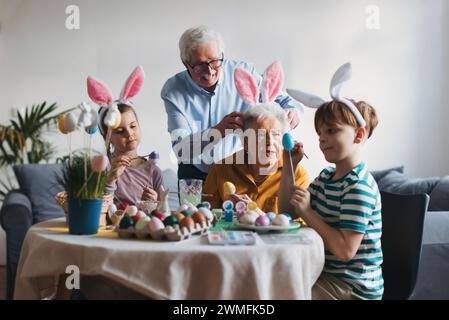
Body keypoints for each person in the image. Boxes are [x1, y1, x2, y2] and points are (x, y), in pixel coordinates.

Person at [161, 25, 304, 181]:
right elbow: (181, 150)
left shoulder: (243, 73)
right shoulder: (173, 91)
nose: (209, 72)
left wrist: (292, 112)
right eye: (200, 65)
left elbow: (282, 98)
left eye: (214, 61)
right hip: (195, 174)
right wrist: (217, 131)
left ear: (222, 54)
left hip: (237, 170)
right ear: (186, 63)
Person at [289, 97, 383, 299]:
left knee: (282, 293)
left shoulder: (359, 186)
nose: (322, 139)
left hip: (353, 287)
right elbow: (288, 209)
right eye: (320, 133)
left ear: (358, 135)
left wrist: (307, 212)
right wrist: (291, 166)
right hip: (326, 276)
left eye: (331, 131)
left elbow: (345, 251)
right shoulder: (326, 177)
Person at [204, 103, 309, 213]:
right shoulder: (221, 169)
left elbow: (298, 226)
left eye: (276, 134)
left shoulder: (296, 175)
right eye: (260, 135)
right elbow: (206, 215)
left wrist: (257, 214)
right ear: (245, 143)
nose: (270, 142)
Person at [100, 103, 163, 205]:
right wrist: (111, 179)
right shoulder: (102, 167)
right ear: (107, 138)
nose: (129, 134)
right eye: (120, 131)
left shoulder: (154, 172)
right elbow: (98, 209)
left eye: (133, 126)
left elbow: (164, 213)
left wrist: (154, 204)